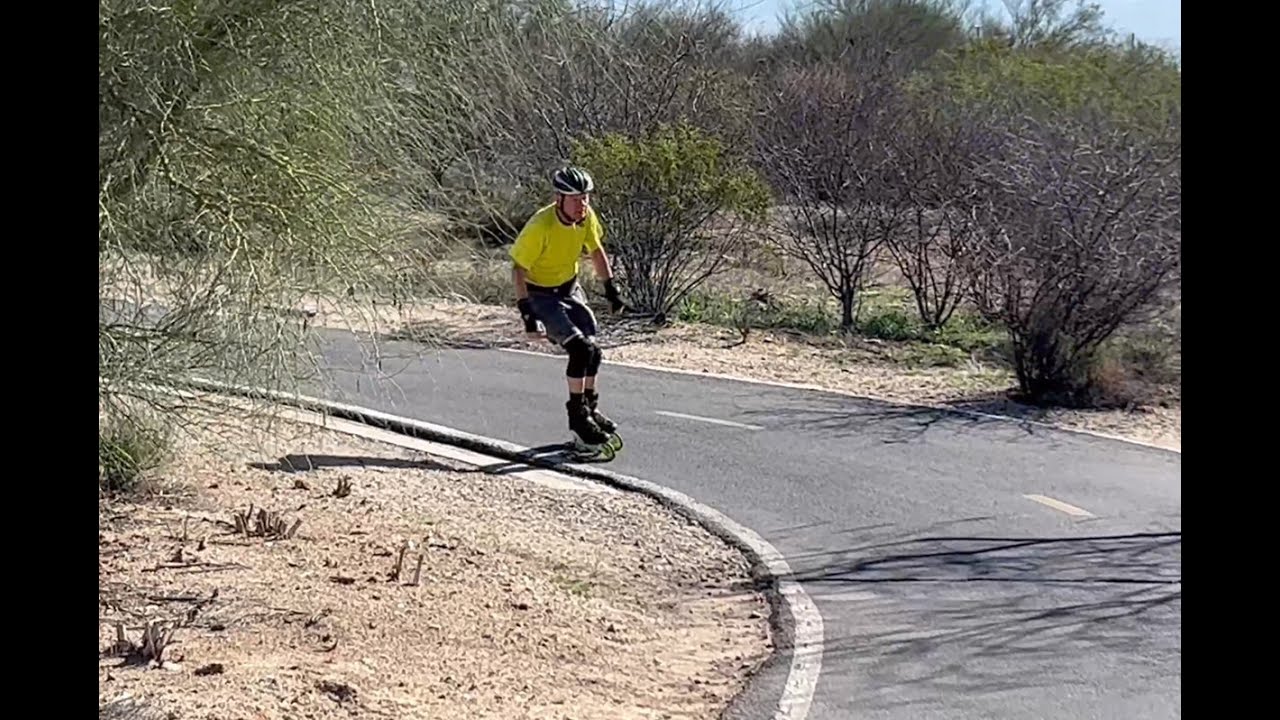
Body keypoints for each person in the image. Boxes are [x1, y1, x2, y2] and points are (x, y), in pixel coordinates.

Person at [510, 166, 626, 452]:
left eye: (585, 198)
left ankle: (589, 408)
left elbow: (596, 251)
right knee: (580, 350)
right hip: (541, 295)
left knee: (593, 351)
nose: (581, 205)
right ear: (558, 198)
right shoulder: (541, 226)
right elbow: (518, 270)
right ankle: (577, 417)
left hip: (569, 288)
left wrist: (611, 289)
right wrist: (527, 313)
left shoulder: (586, 218)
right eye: (575, 199)